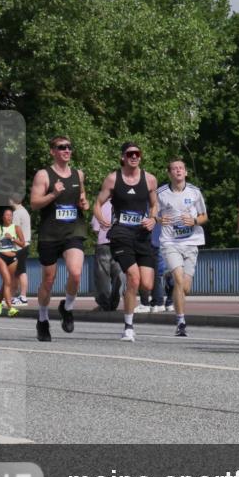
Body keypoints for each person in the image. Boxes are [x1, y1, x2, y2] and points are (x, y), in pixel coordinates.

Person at [94, 142, 159, 342]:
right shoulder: (113, 179)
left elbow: (154, 204)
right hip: (121, 233)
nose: (134, 156)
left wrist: (153, 218)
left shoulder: (149, 179)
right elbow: (97, 203)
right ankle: (128, 326)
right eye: (130, 154)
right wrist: (101, 218)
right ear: (123, 157)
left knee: (146, 284)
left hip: (142, 235)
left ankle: (129, 295)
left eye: (137, 153)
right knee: (134, 277)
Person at [29, 135, 89, 341]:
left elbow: (82, 196)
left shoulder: (78, 174)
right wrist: (53, 194)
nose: (66, 150)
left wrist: (84, 203)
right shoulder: (43, 175)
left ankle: (67, 306)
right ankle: (43, 319)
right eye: (61, 147)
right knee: (48, 280)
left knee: (76, 272)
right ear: (52, 151)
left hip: (73, 231)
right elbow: (35, 203)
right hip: (50, 233)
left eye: (69, 147)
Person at [156, 157, 208, 337]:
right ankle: (181, 322)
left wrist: (194, 221)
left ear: (186, 172)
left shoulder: (195, 192)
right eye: (174, 168)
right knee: (179, 280)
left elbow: (204, 217)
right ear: (169, 173)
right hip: (170, 242)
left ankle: (170, 280)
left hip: (191, 242)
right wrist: (160, 219)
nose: (178, 171)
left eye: (181, 168)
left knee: (185, 288)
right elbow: (153, 215)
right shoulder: (161, 193)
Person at [0, 208, 25, 317]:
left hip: (13, 257)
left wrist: (12, 238)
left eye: (10, 215)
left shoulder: (16, 228)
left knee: (7, 282)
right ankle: (10, 307)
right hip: (0, 256)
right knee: (7, 280)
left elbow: (22, 244)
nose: (9, 217)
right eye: (7, 215)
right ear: (3, 217)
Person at [92, 199, 122, 312]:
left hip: (104, 244)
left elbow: (95, 228)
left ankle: (104, 304)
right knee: (118, 275)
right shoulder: (126, 203)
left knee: (102, 276)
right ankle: (114, 303)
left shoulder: (101, 204)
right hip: (121, 244)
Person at [9, 196, 31, 306]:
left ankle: (22, 297)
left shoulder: (17, 213)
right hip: (25, 245)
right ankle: (14, 296)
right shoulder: (24, 211)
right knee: (17, 272)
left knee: (21, 272)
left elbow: (14, 231)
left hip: (19, 246)